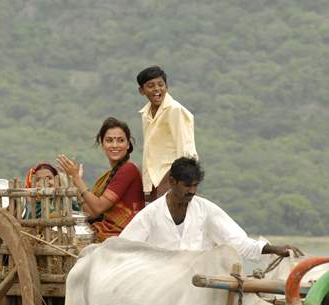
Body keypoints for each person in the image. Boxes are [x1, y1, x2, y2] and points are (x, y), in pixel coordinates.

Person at [120, 157, 303, 260]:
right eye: (187, 186)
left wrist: (274, 249)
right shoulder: (150, 214)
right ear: (172, 182)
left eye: (195, 185)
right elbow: (123, 248)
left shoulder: (206, 210)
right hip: (160, 285)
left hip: (198, 283)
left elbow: (237, 242)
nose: (192, 191)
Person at [58, 117, 145, 242]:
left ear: (128, 144)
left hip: (123, 236)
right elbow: (93, 213)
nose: (115, 145)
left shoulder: (128, 169)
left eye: (120, 140)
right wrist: (76, 185)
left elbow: (98, 207)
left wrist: (77, 178)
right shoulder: (110, 175)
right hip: (109, 234)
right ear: (102, 144)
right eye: (109, 140)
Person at [137, 66, 198, 202]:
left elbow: (185, 149)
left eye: (161, 84)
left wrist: (182, 181)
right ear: (142, 91)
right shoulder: (146, 113)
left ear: (167, 87)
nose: (157, 89)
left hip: (171, 175)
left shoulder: (174, 110)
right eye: (150, 86)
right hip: (154, 177)